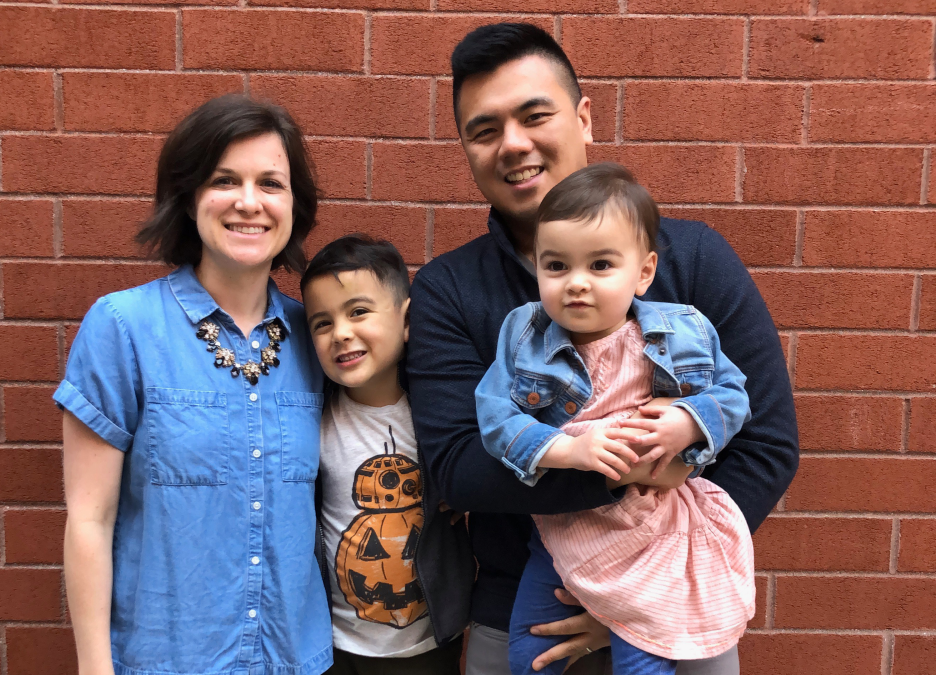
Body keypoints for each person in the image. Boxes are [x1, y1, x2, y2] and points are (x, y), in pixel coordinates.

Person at [405, 22, 799, 675]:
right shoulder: (450, 289)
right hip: (526, 615)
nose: (513, 144)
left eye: (535, 115)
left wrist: (645, 594)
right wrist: (610, 468)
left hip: (680, 605)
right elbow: (458, 466)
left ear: (584, 118)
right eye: (485, 130)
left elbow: (767, 443)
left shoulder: (693, 259)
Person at [56, 94, 333, 675]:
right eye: (224, 180)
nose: (249, 202)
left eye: (271, 184)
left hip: (294, 660)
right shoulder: (123, 328)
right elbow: (89, 521)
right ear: (187, 198)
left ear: (294, 204)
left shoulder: (317, 338)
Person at [476, 164, 755, 675]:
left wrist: (689, 423)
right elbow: (494, 416)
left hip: (652, 532)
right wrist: (569, 451)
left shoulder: (683, 332)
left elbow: (734, 394)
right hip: (564, 532)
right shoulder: (524, 335)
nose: (576, 284)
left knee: (641, 662)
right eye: (556, 266)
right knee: (530, 653)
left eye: (601, 265)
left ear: (643, 273)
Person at [299, 234, 474, 675]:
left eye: (358, 311)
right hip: (334, 645)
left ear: (407, 319)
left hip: (429, 644)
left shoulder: (443, 416)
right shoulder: (312, 421)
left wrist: (467, 488)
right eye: (322, 323)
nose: (341, 333)